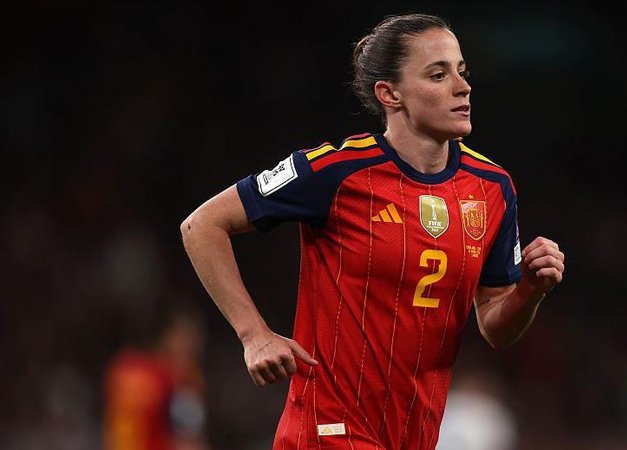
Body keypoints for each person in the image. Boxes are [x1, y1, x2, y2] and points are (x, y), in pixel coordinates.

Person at [180, 12, 565, 450]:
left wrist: (530, 289)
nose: (462, 87)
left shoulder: (493, 187)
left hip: (415, 434)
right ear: (390, 93)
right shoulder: (336, 171)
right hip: (329, 430)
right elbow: (202, 225)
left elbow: (495, 325)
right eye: (438, 75)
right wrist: (254, 335)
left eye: (462, 72)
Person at [103, 300, 209, 450]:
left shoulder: (123, 368)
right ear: (168, 336)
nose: (194, 347)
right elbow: (188, 439)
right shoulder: (179, 378)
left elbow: (110, 430)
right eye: (189, 338)